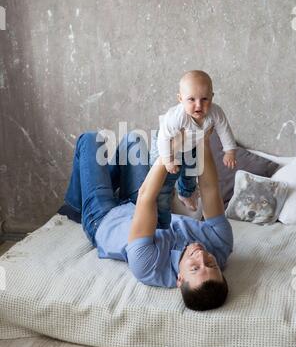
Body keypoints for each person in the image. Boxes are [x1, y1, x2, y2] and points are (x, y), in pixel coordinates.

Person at [63, 128, 233, 311]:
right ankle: (99, 183)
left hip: (104, 219)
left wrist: (172, 149)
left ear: (180, 279)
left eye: (194, 268)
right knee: (133, 140)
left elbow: (147, 196)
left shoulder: (148, 267)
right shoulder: (221, 243)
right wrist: (203, 141)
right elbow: (209, 188)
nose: (201, 256)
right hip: (136, 206)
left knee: (90, 139)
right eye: (210, 263)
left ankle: (76, 205)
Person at [150, 70, 237, 220]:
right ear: (180, 99)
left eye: (205, 99)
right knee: (164, 178)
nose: (199, 105)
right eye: (191, 99)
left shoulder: (215, 112)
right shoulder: (177, 117)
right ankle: (161, 212)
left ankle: (185, 193)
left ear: (212, 97)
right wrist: (168, 159)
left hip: (191, 145)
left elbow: (224, 130)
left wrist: (229, 151)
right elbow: (163, 138)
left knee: (191, 170)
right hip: (166, 143)